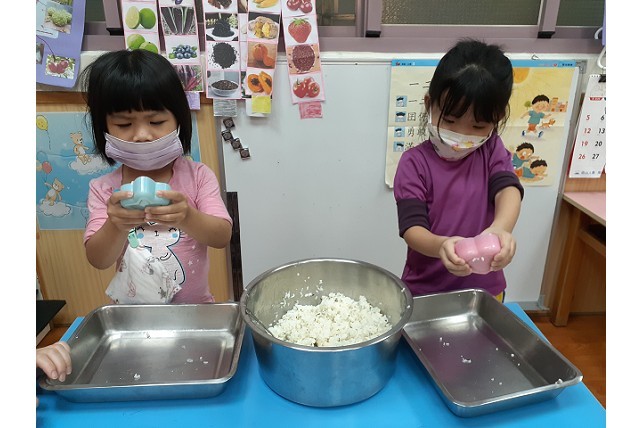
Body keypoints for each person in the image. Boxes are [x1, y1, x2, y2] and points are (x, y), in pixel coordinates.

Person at [80, 49, 233, 304]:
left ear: (178, 120)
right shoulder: (104, 189)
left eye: (156, 122)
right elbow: (98, 260)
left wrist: (187, 216)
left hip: (196, 311)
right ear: (103, 127)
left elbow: (221, 237)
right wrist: (116, 224)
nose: (142, 135)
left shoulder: (198, 176)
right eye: (124, 124)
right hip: (136, 315)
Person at [393, 39, 524, 300]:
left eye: (478, 127)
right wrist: (441, 245)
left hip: (485, 291)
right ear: (429, 104)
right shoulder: (414, 163)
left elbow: (508, 190)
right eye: (451, 120)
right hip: (426, 291)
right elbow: (412, 229)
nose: (461, 135)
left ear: (497, 119)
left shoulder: (491, 149)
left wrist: (501, 228)